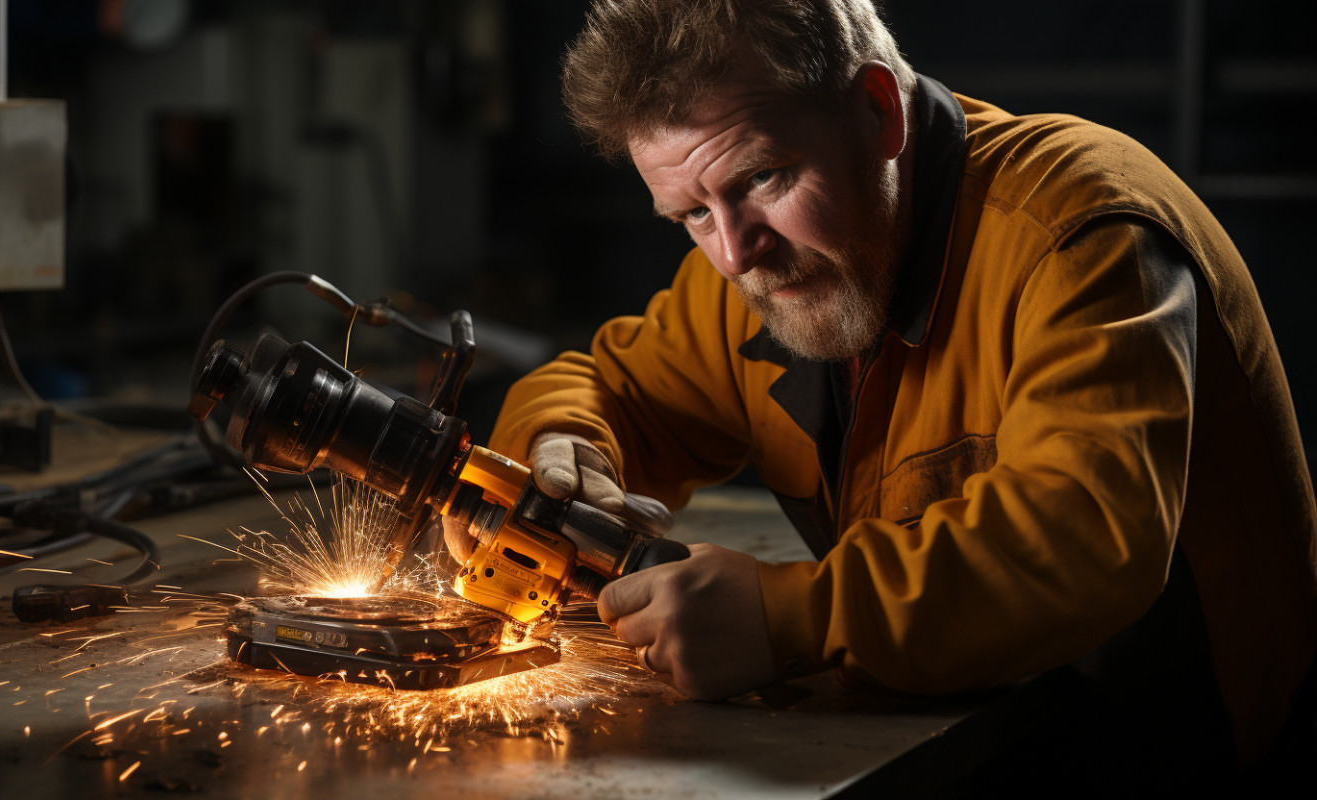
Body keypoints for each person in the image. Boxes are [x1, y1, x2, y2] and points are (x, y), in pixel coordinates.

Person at [486, 0, 1316, 781]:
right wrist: (561, 451)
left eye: (764, 178)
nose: (736, 255)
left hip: (1188, 757)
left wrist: (786, 620)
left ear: (880, 110)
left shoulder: (1078, 231)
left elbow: (1086, 537)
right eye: (691, 215)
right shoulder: (769, 271)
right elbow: (612, 388)